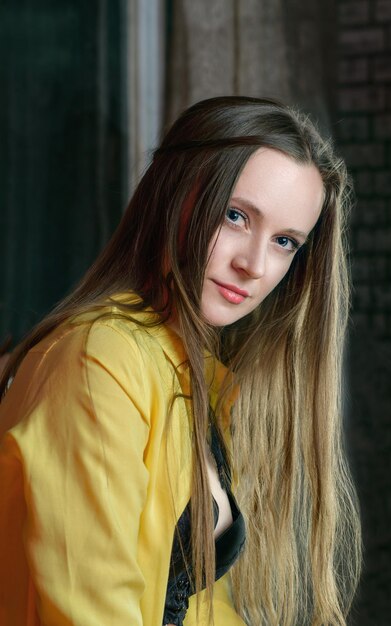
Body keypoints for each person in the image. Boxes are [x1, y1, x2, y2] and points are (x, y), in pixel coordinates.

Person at [0, 96, 362, 626]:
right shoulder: (99, 358)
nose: (254, 265)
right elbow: (90, 608)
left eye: (285, 241)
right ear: (173, 196)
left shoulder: (190, 373)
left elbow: (195, 606)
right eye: (235, 216)